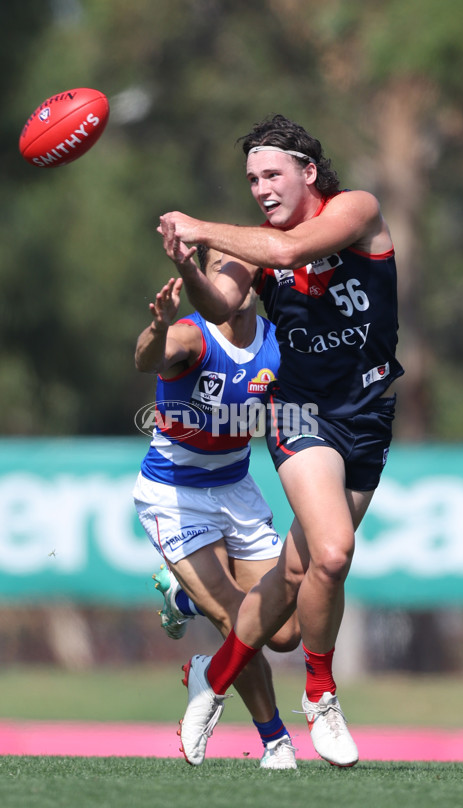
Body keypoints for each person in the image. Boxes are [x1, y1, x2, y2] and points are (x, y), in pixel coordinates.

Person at [157, 114, 404, 767]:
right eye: (252, 179)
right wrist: (193, 267)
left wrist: (202, 226)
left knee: (297, 577)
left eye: (272, 174)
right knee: (331, 553)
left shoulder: (358, 210)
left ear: (309, 172)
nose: (261, 188)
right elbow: (220, 307)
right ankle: (321, 697)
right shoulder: (249, 244)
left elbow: (293, 251)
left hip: (369, 414)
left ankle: (213, 680)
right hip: (299, 413)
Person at [132, 244, 301, 769]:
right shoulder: (189, 335)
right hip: (175, 494)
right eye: (217, 269)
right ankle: (275, 741)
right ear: (204, 281)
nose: (229, 277)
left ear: (256, 277)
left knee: (285, 632)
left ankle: (182, 599)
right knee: (237, 620)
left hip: (236, 487)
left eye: (240, 267)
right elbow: (146, 358)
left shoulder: (277, 344)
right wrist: (157, 327)